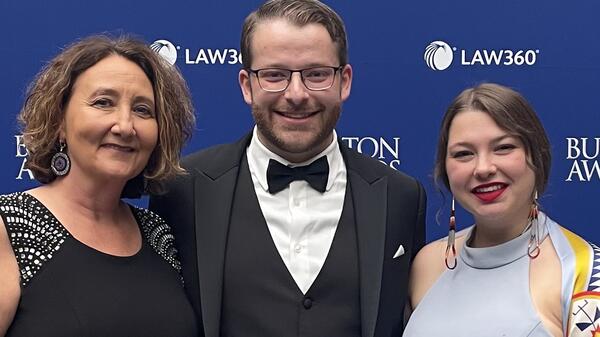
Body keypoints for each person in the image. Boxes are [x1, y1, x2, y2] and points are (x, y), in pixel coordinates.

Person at [149, 0, 426, 336]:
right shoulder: (183, 190)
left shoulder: (400, 196)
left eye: (317, 74)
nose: (296, 94)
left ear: (345, 81)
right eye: (274, 75)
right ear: (246, 85)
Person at [0, 35, 198, 336]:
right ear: (59, 123)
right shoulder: (10, 227)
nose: (125, 126)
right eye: (103, 103)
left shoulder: (159, 235)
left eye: (143, 110)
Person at [403, 83, 600, 337]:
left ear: (537, 157)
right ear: (445, 168)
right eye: (464, 154)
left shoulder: (584, 272)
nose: (483, 168)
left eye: (503, 147)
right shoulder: (426, 265)